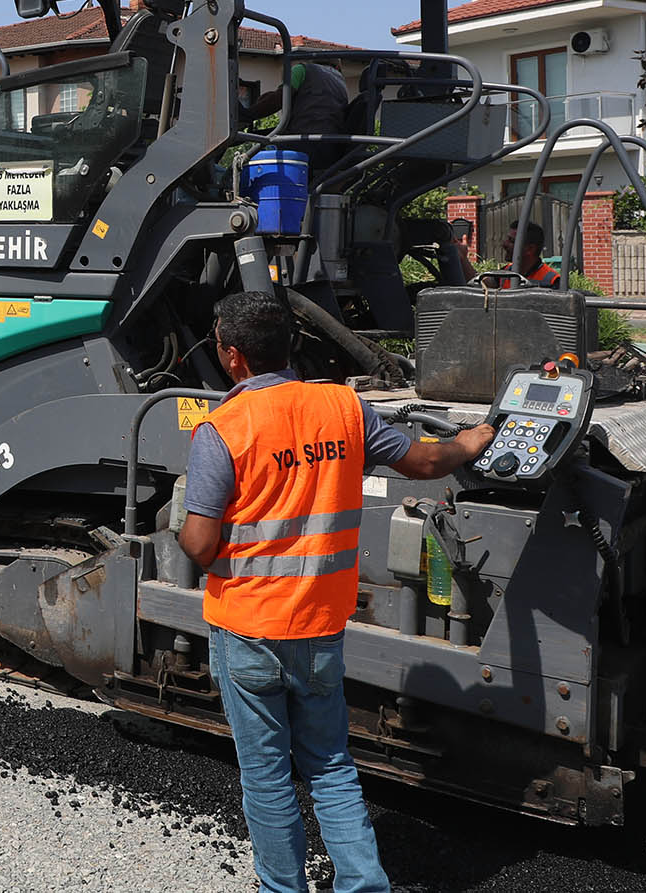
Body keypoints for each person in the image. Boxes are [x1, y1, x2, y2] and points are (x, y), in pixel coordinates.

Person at [178, 293, 492, 893]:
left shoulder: (224, 429)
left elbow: (196, 544)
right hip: (320, 626)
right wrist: (473, 440)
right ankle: (364, 885)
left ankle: (282, 888)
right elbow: (425, 462)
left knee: (267, 778)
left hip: (247, 627)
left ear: (232, 356)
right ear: (290, 346)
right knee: (330, 766)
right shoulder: (343, 406)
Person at [496, 222, 563, 289]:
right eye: (507, 239)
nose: (504, 244)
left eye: (512, 241)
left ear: (530, 249)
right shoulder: (502, 274)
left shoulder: (552, 281)